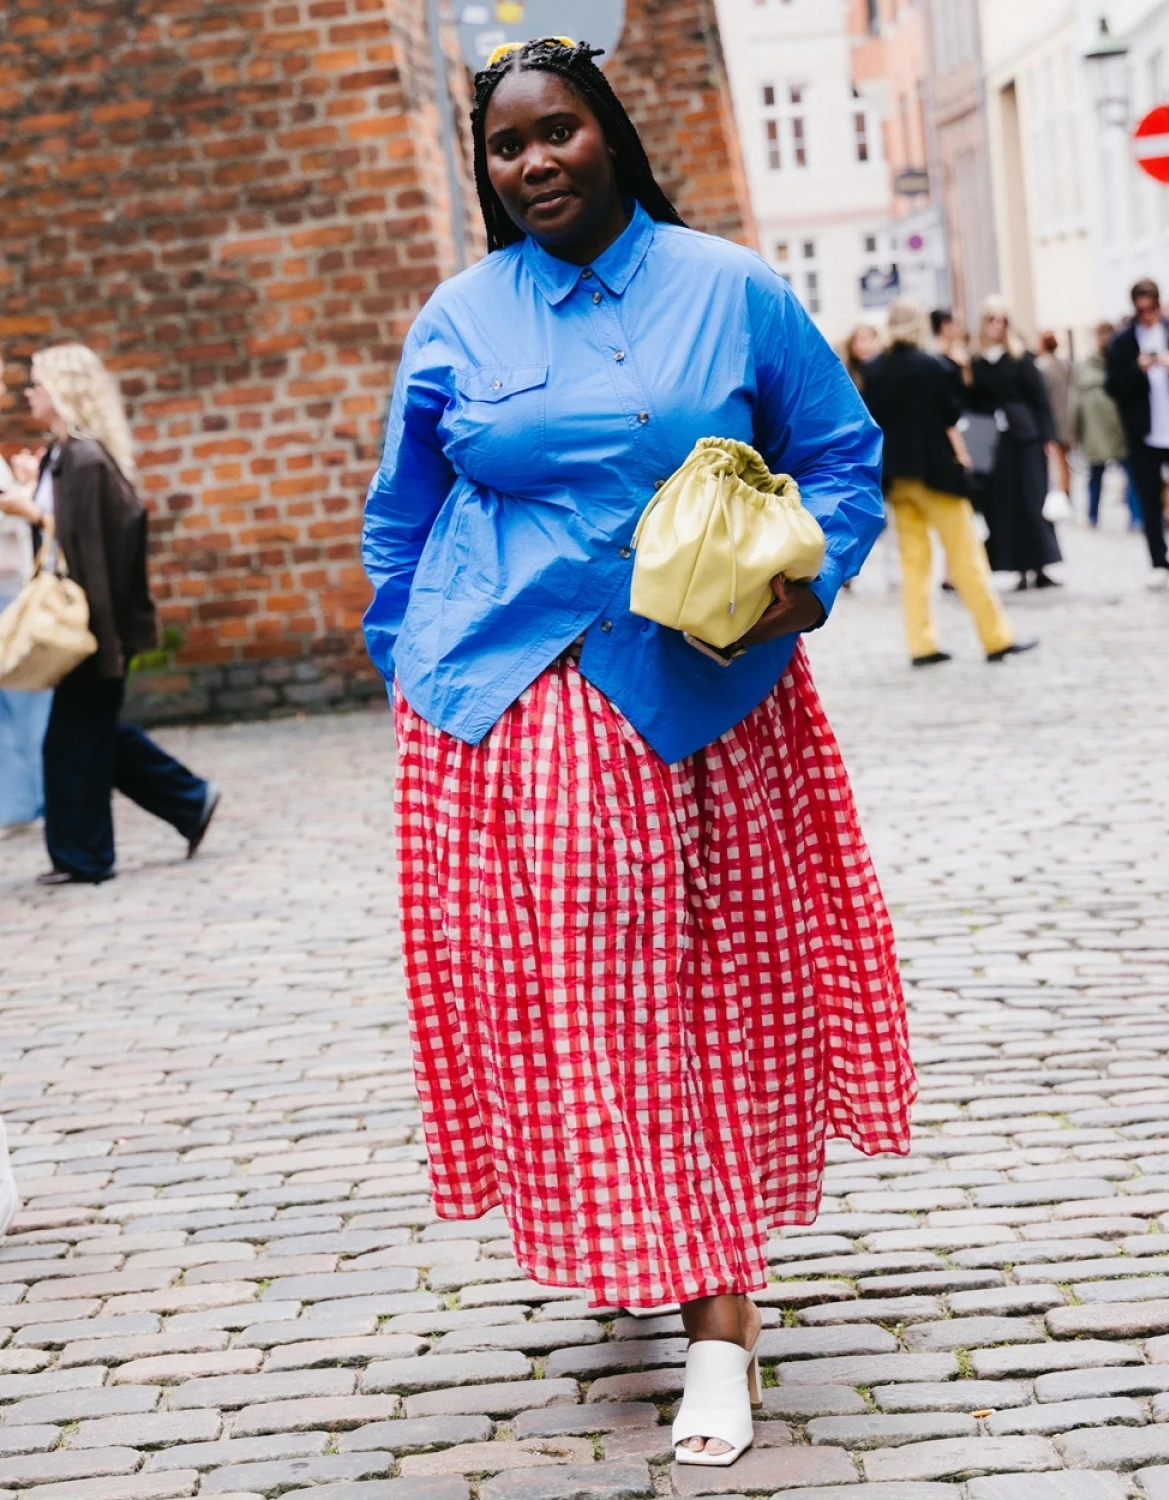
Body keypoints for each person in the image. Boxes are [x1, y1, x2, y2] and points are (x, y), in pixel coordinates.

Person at [362, 37, 914, 1471]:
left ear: (611, 134)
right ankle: (647, 1238)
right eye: (506, 147)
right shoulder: (461, 318)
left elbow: (843, 459)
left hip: (706, 700)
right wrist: (412, 674)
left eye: (559, 133)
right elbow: (401, 526)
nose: (534, 162)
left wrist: (816, 577)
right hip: (516, 717)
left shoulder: (730, 291)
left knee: (712, 1005)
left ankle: (719, 1333)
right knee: (592, 1012)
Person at [23, 343, 221, 884]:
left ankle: (86, 856)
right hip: (91, 619)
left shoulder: (84, 459)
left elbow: (90, 552)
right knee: (92, 733)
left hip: (94, 622)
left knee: (72, 741)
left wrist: (102, 638)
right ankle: (188, 800)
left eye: (37, 384)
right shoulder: (67, 455)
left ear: (62, 391)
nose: (29, 394)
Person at [862, 299, 1034, 666]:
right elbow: (950, 420)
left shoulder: (875, 370)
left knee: (914, 563)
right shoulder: (933, 366)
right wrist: (965, 460)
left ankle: (921, 643)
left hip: (897, 477)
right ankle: (995, 637)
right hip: (936, 474)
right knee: (966, 557)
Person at [1106, 278, 1169, 588]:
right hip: (1144, 433)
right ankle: (1160, 562)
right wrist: (1138, 368)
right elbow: (1113, 386)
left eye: (1152, 308)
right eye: (1141, 310)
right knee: (1150, 499)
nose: (1147, 315)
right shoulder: (1123, 342)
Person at [969, 295, 1063, 590]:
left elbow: (1039, 399)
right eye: (991, 319)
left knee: (1032, 501)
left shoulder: (1021, 357)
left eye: (1002, 319)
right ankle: (1015, 566)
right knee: (1002, 504)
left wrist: (1049, 437)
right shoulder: (974, 361)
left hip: (1025, 437)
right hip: (990, 440)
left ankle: (1040, 566)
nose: (997, 325)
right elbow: (969, 403)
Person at [0, 410, 52, 831]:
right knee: (26, 697)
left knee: (24, 700)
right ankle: (24, 801)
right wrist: (30, 499)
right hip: (4, 588)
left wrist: (23, 486)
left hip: (11, 586)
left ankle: (24, 801)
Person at [1072, 322, 1141, 530]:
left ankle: (1137, 517)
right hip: (1096, 431)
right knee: (1095, 476)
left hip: (1121, 428)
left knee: (1132, 475)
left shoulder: (1123, 362)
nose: (1105, 340)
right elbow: (1074, 401)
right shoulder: (1084, 366)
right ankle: (1092, 516)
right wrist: (1075, 431)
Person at [1036, 332, 1072, 495]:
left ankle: (1061, 491)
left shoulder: (1041, 366)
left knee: (1057, 460)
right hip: (1066, 415)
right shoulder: (1064, 364)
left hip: (1052, 417)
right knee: (1064, 458)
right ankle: (1065, 489)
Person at [841, 322, 879, 393]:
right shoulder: (847, 375)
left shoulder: (885, 368)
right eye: (861, 340)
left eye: (869, 339)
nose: (862, 345)